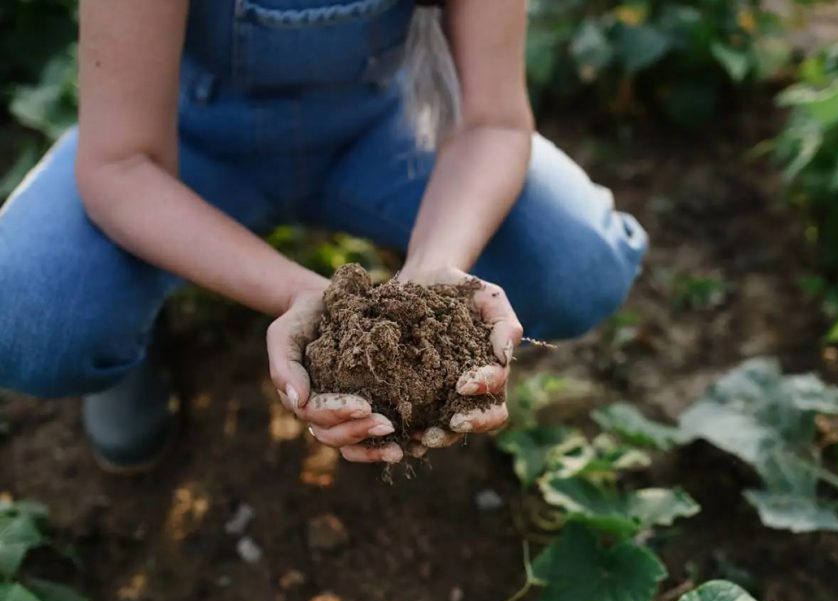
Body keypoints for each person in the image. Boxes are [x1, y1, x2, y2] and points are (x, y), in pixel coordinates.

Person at [0, 0, 648, 472]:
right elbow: (121, 165)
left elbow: (492, 123)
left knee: (576, 266)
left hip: (384, 130)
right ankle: (128, 348)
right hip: (181, 142)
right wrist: (306, 296)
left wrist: (433, 276)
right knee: (33, 315)